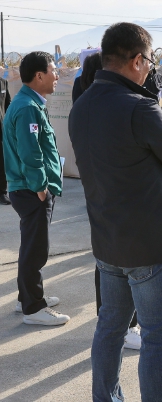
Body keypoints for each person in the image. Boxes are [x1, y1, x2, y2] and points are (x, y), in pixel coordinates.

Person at [69, 22, 162, 401]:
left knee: (109, 328)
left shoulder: (81, 107)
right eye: (151, 62)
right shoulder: (141, 108)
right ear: (138, 61)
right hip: (152, 243)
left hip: (108, 241)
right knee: (159, 339)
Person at [71, 52, 141, 351]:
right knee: (118, 263)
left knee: (109, 260)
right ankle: (122, 326)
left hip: (100, 194)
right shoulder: (110, 105)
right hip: (115, 195)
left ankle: (116, 323)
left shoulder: (85, 104)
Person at [3, 51, 69, 325]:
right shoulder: (28, 107)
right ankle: (33, 309)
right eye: (54, 71)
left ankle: (26, 297)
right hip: (31, 189)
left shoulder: (30, 103)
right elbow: (31, 153)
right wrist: (41, 186)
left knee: (31, 246)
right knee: (36, 249)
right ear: (39, 75)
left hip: (28, 187)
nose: (57, 76)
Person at [0, 71, 11, 205]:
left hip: (1, 129)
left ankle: (2, 192)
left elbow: (8, 105)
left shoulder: (3, 83)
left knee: (1, 161)